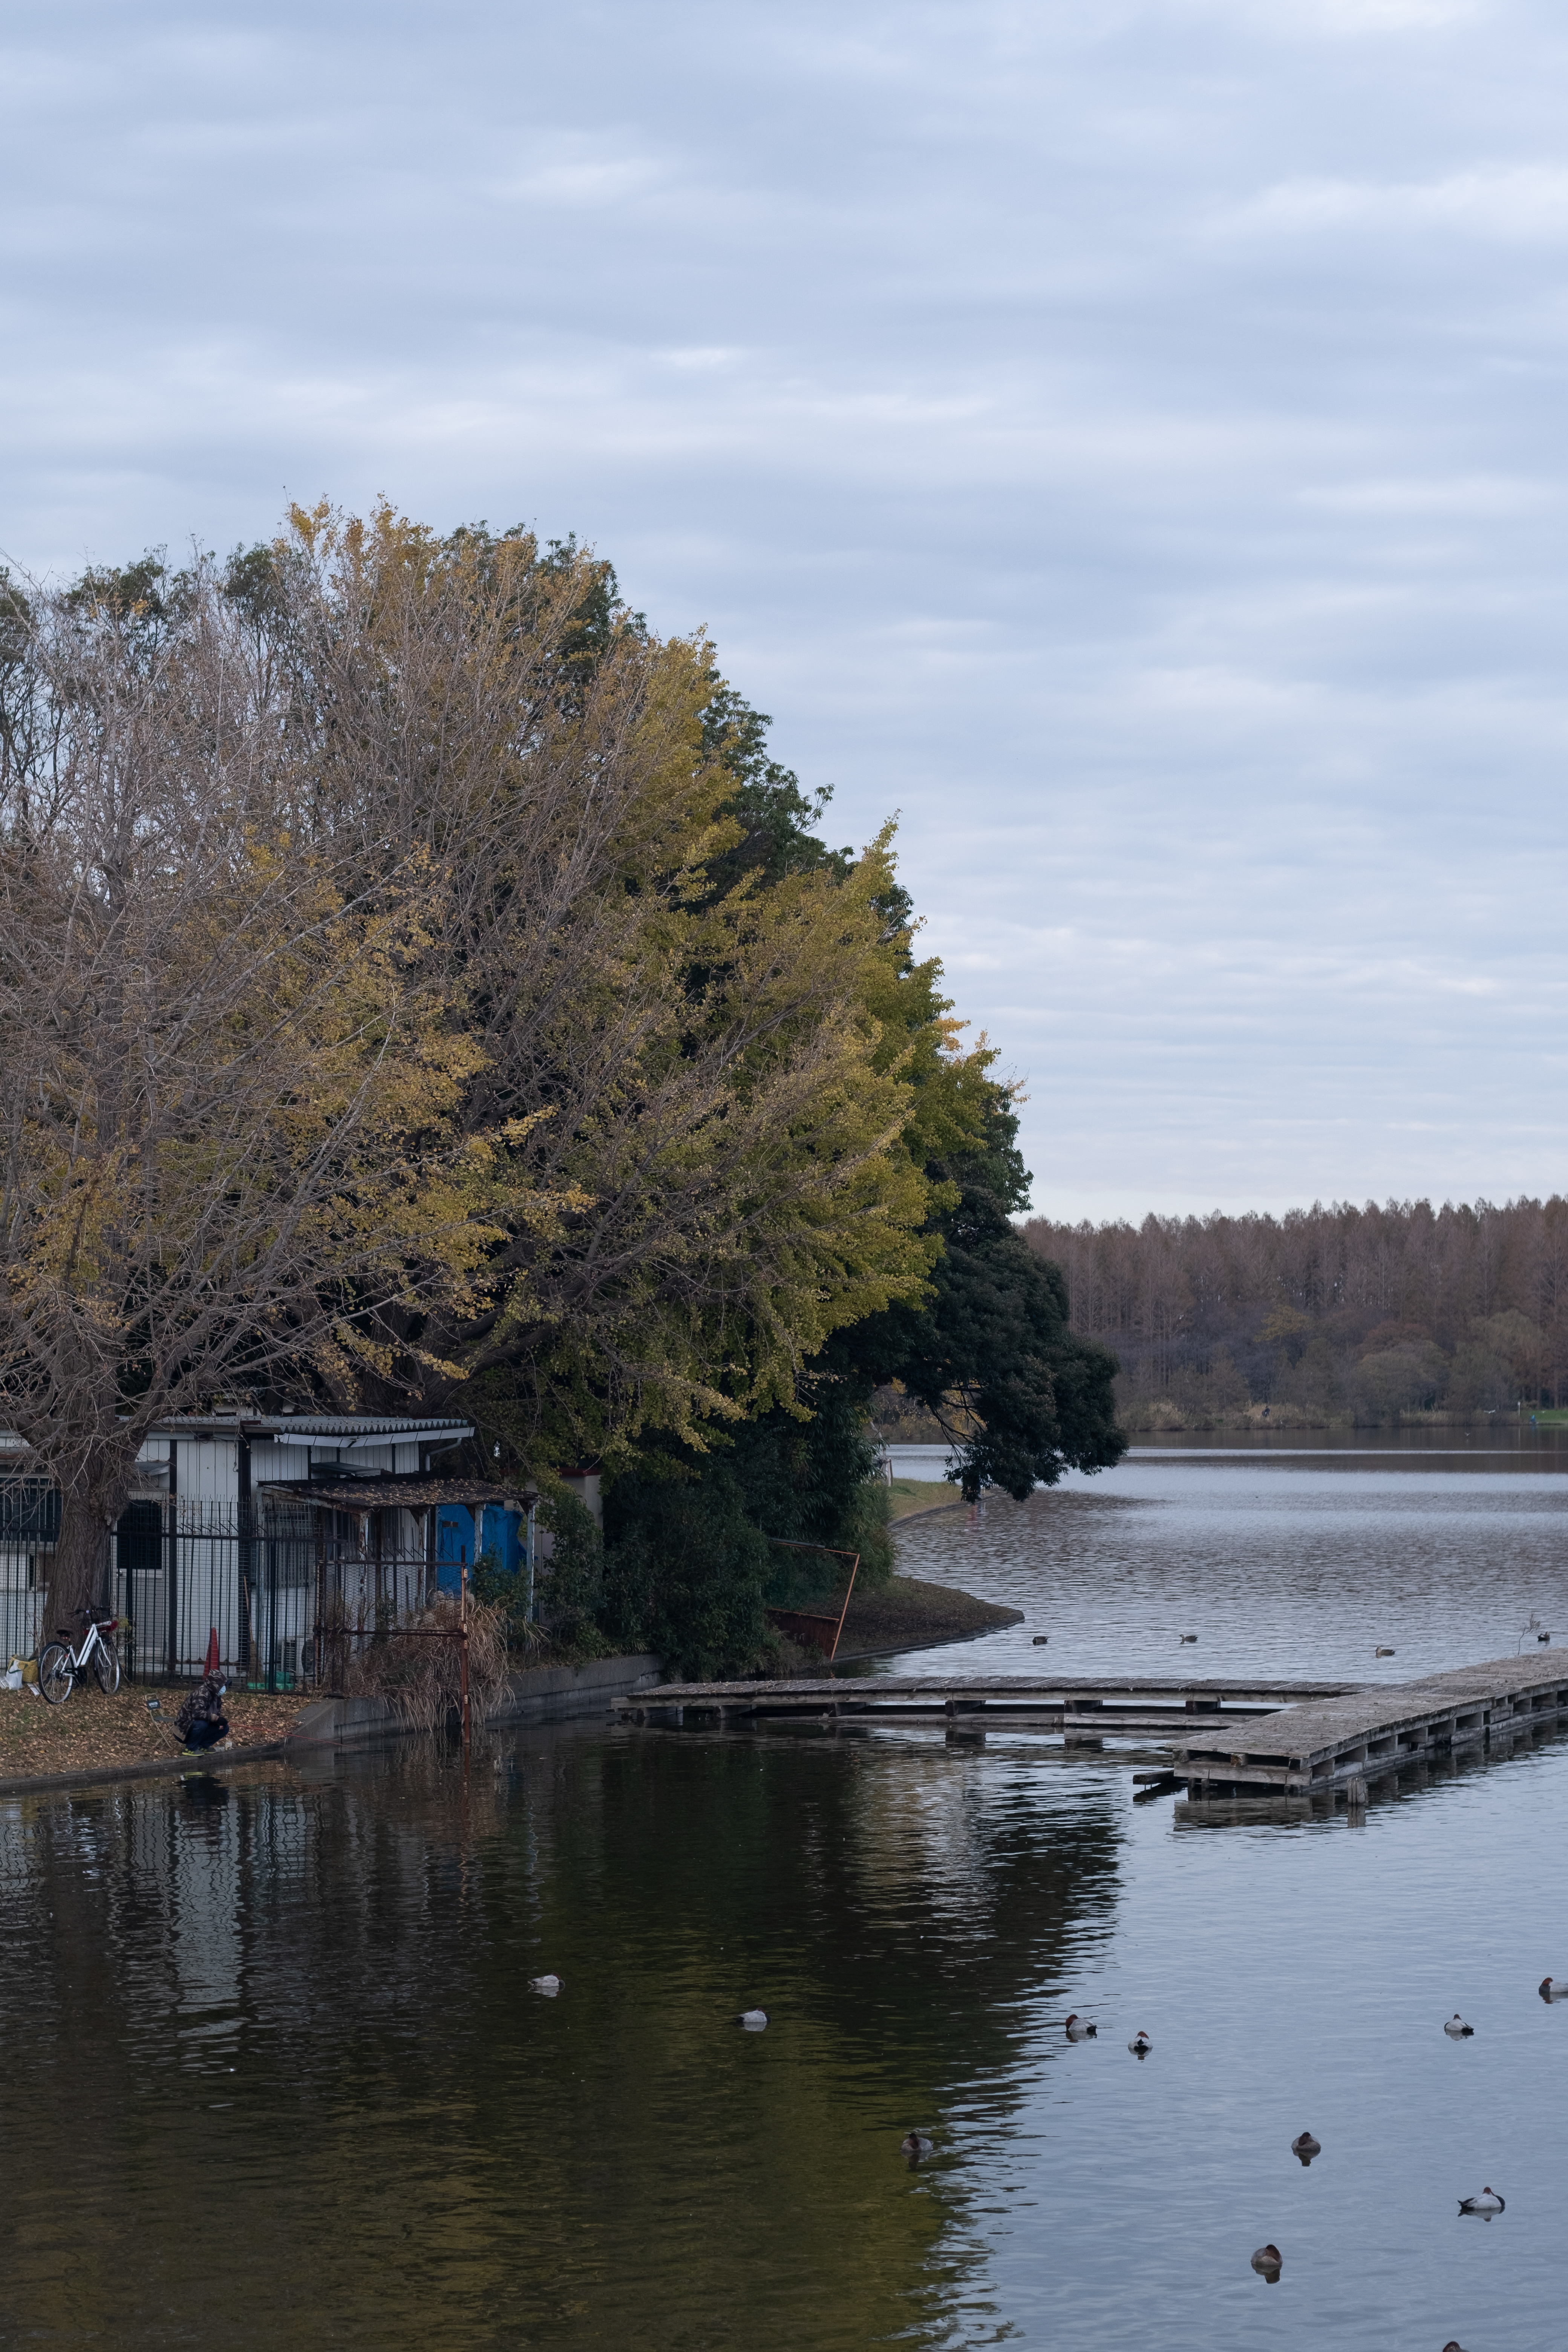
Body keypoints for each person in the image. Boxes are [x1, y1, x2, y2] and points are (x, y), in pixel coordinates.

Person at [175, 1674, 230, 1752]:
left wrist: (219, 1722)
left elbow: (217, 1712)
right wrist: (217, 1719)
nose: (224, 1688)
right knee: (202, 1724)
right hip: (184, 1729)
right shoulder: (202, 1693)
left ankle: (203, 1746)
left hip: (202, 1725)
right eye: (223, 1685)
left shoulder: (217, 1696)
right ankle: (190, 1749)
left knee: (225, 1728)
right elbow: (197, 1713)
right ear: (215, 1685)